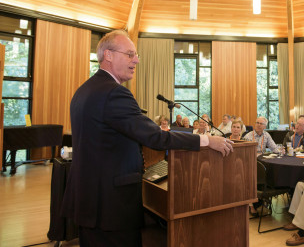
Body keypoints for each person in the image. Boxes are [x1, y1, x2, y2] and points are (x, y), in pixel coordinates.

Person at [61, 30, 233, 247]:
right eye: (130, 54)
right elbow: (155, 137)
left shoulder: (84, 90)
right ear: (109, 55)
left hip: (88, 198)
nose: (137, 60)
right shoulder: (114, 93)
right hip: (109, 204)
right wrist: (207, 140)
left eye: (137, 54)